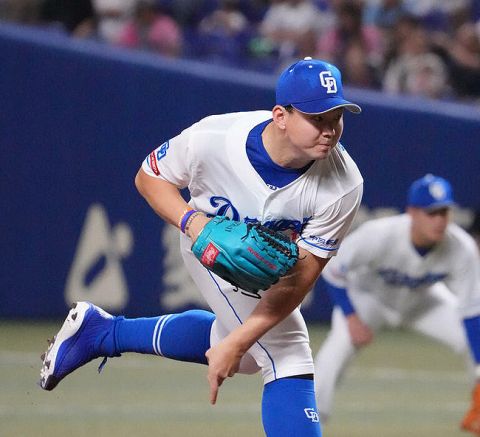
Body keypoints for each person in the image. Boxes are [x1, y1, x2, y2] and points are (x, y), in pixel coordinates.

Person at [39, 57, 364, 436]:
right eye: (317, 118)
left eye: (336, 116)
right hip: (206, 246)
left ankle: (102, 332)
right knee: (287, 352)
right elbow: (149, 177)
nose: (329, 130)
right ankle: (104, 333)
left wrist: (238, 342)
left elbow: (299, 281)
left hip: (270, 269)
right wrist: (193, 223)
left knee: (244, 352)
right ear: (281, 115)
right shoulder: (215, 138)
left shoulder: (344, 185)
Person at [314, 174, 480, 435]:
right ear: (412, 212)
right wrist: (351, 317)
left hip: (423, 301)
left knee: (472, 342)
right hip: (369, 299)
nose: (439, 220)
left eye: (444, 212)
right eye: (431, 212)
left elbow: (471, 310)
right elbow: (333, 269)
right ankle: (310, 425)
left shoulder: (461, 247)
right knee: (336, 349)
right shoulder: (380, 234)